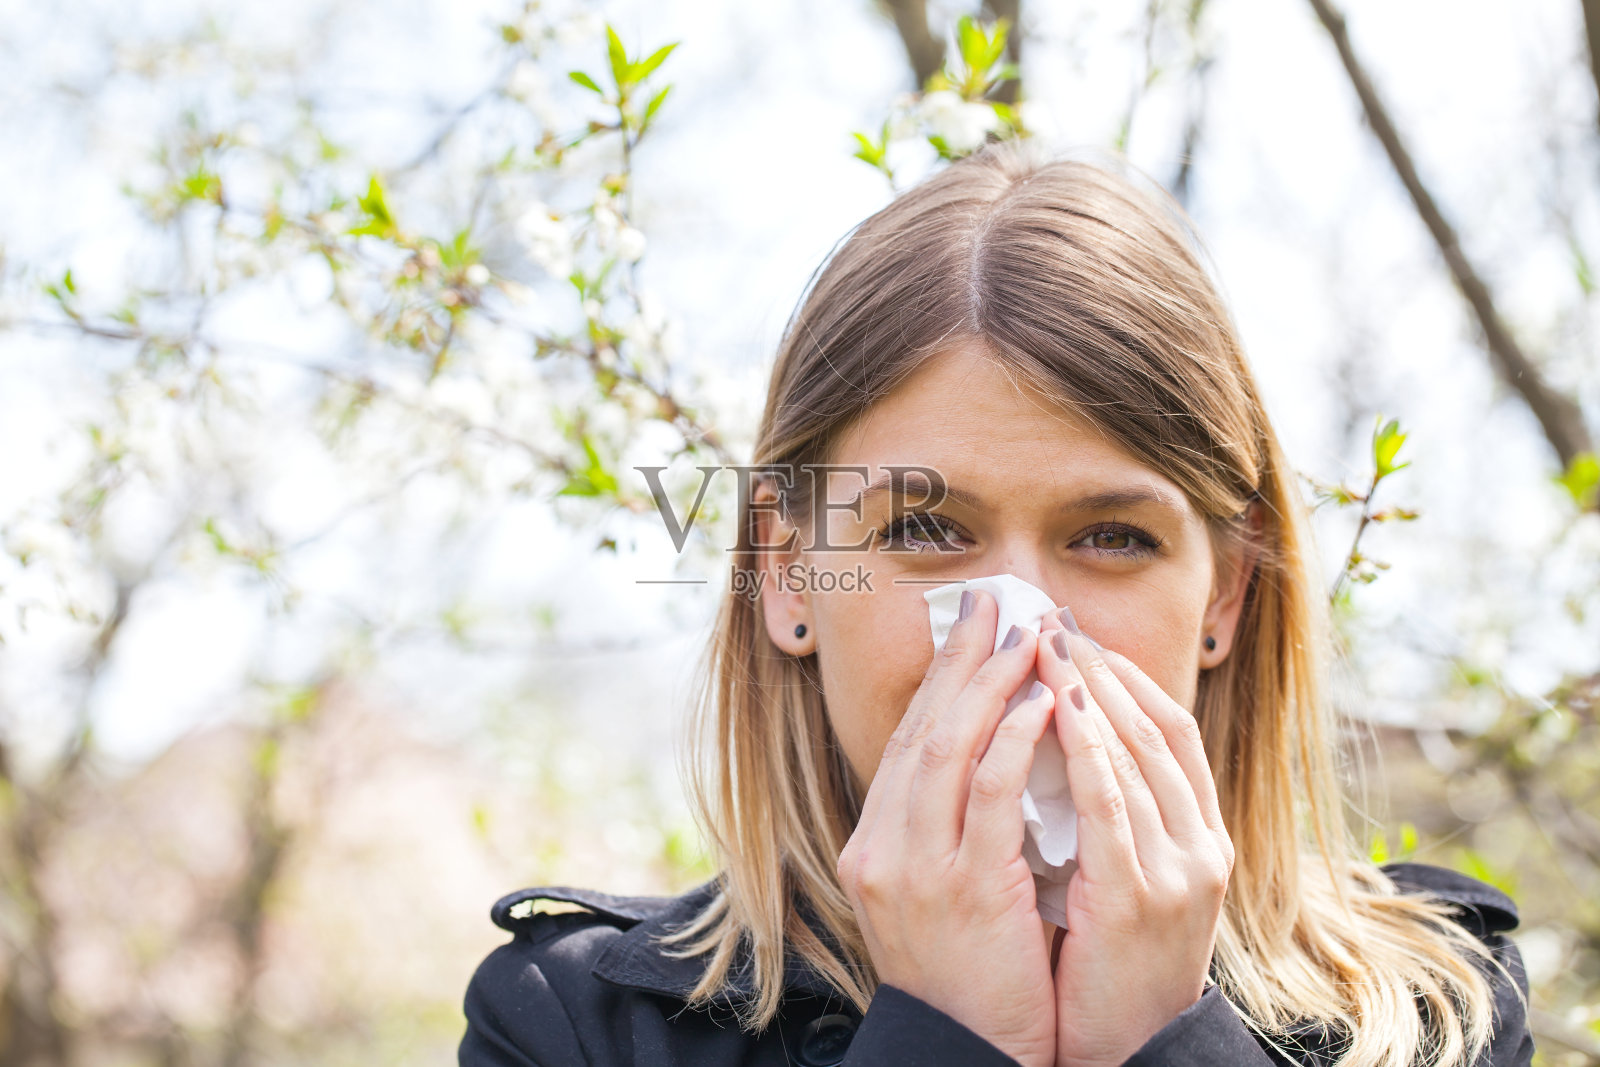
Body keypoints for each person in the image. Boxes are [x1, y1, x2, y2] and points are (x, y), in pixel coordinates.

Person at [459, 141, 1534, 1066]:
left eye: (1111, 536)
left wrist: (1162, 1037)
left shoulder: (1435, 1006)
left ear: (1226, 597)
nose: (1019, 627)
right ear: (788, 574)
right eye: (925, 529)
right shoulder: (577, 1024)